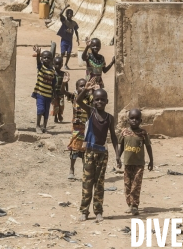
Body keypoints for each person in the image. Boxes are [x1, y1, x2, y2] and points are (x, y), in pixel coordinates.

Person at [76, 78, 121, 222]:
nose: (99, 102)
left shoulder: (109, 118)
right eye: (97, 99)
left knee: (99, 184)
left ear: (107, 101)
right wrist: (86, 89)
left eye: (102, 100)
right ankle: (84, 211)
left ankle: (98, 211)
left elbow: (113, 137)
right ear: (93, 101)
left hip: (103, 153)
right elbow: (78, 101)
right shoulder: (91, 112)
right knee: (87, 182)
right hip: (89, 153)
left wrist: (118, 155)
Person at [118, 109, 153, 216]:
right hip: (128, 164)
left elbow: (148, 146)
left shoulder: (143, 133)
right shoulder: (124, 132)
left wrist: (151, 160)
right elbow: (121, 146)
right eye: (132, 118)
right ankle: (129, 204)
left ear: (141, 120)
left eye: (137, 119)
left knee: (136, 185)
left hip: (139, 164)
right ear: (128, 120)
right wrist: (118, 158)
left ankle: (135, 205)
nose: (134, 120)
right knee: (127, 185)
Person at [62, 75, 90, 180]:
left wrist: (95, 89)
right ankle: (71, 169)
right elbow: (63, 92)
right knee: (74, 148)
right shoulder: (74, 96)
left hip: (86, 127)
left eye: (84, 86)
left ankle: (85, 171)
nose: (83, 88)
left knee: (84, 149)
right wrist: (64, 83)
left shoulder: (90, 97)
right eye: (81, 86)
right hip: (76, 127)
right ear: (76, 88)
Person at [31, 46, 55, 133]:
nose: (46, 59)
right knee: (40, 109)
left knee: (46, 111)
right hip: (40, 93)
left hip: (48, 95)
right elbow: (38, 62)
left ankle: (44, 126)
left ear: (51, 60)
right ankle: (37, 125)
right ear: (41, 59)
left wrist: (54, 94)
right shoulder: (41, 68)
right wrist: (37, 54)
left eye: (48, 58)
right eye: (44, 57)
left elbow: (53, 84)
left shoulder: (52, 71)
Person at [57, 5, 79, 70]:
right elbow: (60, 14)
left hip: (69, 40)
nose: (69, 15)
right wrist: (66, 7)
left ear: (72, 15)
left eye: (71, 14)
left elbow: (76, 31)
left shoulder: (74, 23)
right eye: (68, 13)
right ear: (66, 14)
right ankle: (60, 63)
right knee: (63, 53)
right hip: (64, 40)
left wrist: (78, 38)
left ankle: (66, 64)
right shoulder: (64, 21)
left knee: (69, 53)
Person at [51, 56, 66, 123]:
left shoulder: (63, 74)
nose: (57, 66)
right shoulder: (52, 74)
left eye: (59, 64)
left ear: (62, 65)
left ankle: (60, 114)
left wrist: (66, 91)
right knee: (56, 105)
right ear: (53, 64)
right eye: (56, 64)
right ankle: (56, 116)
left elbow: (65, 82)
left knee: (61, 105)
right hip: (54, 92)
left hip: (61, 92)